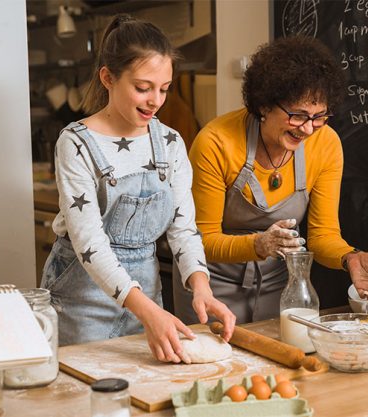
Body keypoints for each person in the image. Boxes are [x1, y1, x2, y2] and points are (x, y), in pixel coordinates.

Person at [40, 14, 235, 363]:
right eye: (143, 88)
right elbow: (89, 244)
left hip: (147, 297)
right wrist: (146, 311)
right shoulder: (75, 142)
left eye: (164, 88)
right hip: (82, 302)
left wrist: (201, 287)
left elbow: (183, 229)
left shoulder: (170, 142)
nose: (155, 101)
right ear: (108, 78)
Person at [173, 36, 368, 323]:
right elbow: (201, 240)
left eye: (319, 117)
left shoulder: (325, 144)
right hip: (210, 285)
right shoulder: (216, 142)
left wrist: (350, 257)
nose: (308, 129)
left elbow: (323, 236)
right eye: (298, 115)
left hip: (280, 286)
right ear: (264, 104)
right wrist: (259, 245)